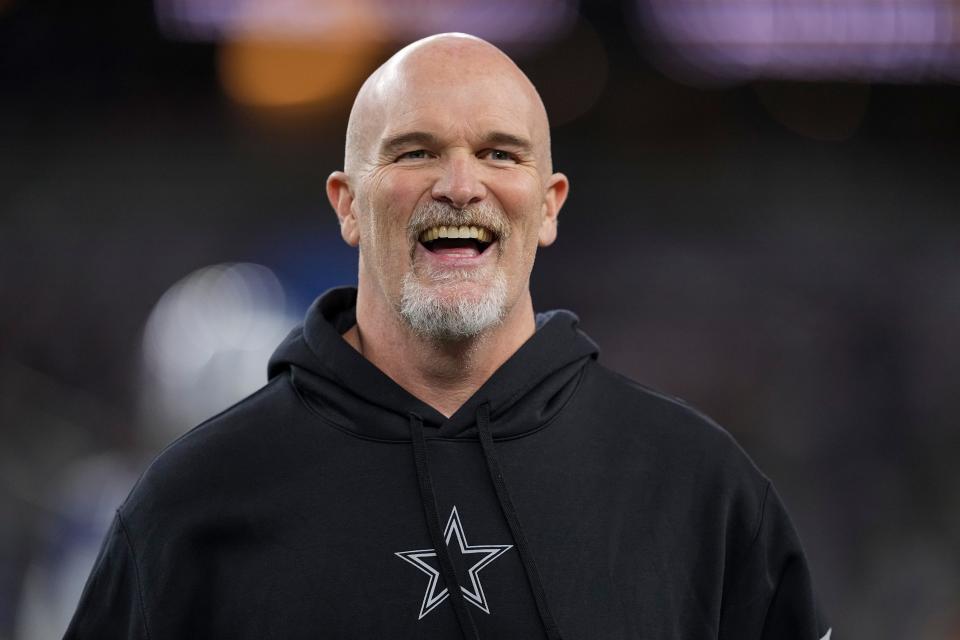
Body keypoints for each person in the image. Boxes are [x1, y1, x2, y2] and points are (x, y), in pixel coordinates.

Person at [65, 33, 832, 639]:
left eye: (500, 152)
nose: (460, 184)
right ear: (347, 203)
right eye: (415, 151)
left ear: (550, 202)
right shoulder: (194, 502)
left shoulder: (700, 487)